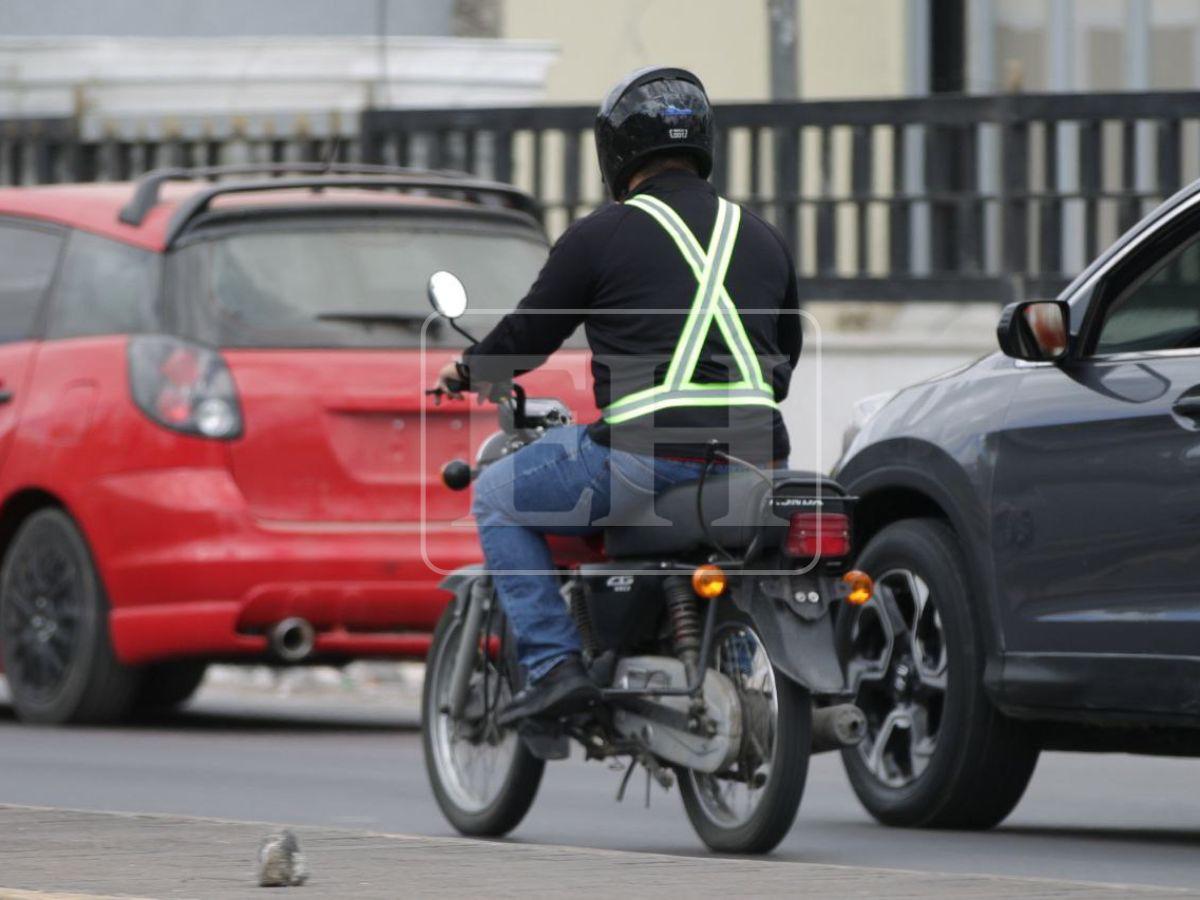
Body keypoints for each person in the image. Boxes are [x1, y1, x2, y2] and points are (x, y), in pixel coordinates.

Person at [434, 65, 801, 724]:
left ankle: (553, 666)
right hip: (758, 455)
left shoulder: (601, 234)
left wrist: (468, 369)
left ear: (618, 150)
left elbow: (526, 339)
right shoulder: (763, 239)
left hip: (647, 458)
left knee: (496, 495)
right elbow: (786, 357)